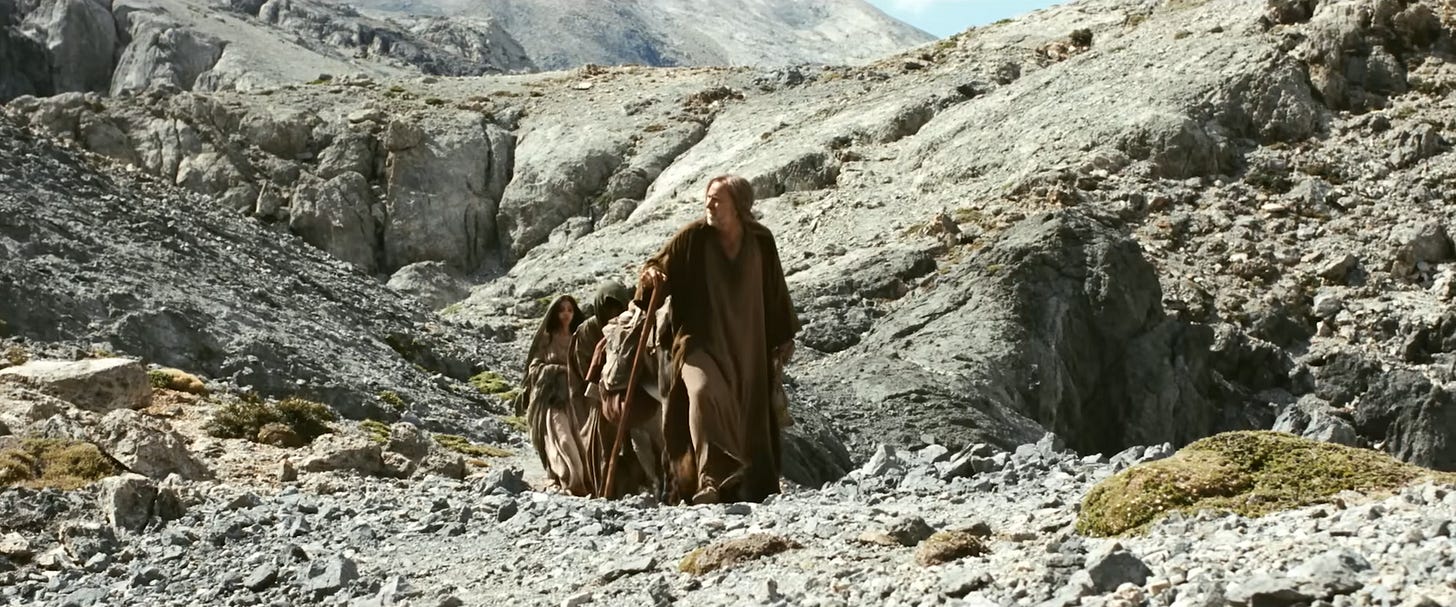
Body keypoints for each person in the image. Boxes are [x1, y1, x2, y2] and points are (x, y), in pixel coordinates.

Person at [638, 174, 800, 504]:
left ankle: (744, 487)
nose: (709, 205)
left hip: (746, 344)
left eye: (717, 199)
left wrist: (784, 335)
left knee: (747, 412)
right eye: (708, 198)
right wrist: (651, 276)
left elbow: (775, 289)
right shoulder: (693, 238)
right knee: (702, 391)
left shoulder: (761, 241)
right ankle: (709, 479)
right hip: (698, 342)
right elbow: (658, 264)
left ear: (738, 206)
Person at [520, 295, 591, 495]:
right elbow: (534, 368)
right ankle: (569, 479)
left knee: (581, 441)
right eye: (562, 310)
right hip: (551, 398)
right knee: (562, 439)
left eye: (570, 310)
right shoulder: (547, 339)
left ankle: (584, 482)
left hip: (575, 400)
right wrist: (558, 370)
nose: (566, 314)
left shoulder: (579, 337)